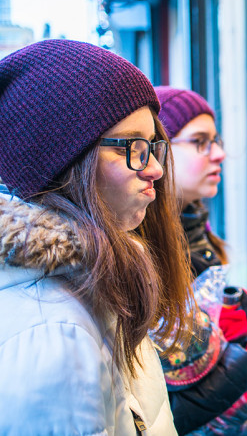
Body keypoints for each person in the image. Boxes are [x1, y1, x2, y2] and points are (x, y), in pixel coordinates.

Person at [0, 39, 193, 434]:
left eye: (154, 145)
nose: (155, 168)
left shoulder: (98, 279)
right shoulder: (54, 333)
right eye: (132, 146)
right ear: (63, 163)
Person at [155, 86, 247, 435]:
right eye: (200, 141)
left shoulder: (195, 231)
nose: (219, 153)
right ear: (158, 150)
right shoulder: (142, 252)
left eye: (215, 140)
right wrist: (234, 363)